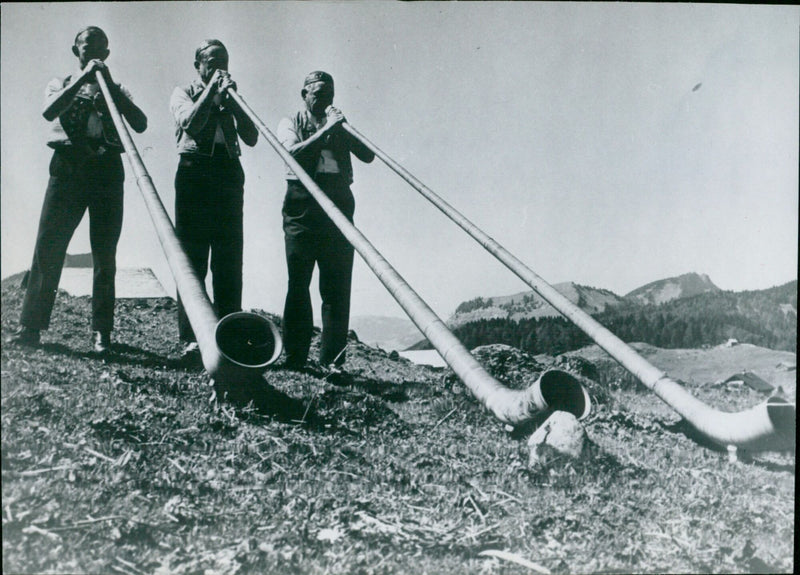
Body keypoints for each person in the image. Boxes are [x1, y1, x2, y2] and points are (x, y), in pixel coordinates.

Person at [8, 26, 148, 353]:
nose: (94, 52)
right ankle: (30, 327)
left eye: (101, 48)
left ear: (108, 55)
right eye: (88, 47)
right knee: (49, 246)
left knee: (104, 253)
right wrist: (83, 80)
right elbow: (48, 111)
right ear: (77, 51)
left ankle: (102, 334)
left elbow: (140, 123)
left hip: (107, 170)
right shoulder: (61, 83)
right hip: (68, 167)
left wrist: (108, 88)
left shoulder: (118, 88)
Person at [277, 71, 375, 373]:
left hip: (338, 200)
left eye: (329, 94)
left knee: (336, 285)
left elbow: (368, 155)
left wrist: (342, 128)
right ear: (304, 94)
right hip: (303, 202)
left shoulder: (339, 124)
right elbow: (292, 153)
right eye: (318, 93)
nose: (325, 100)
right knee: (299, 280)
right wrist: (324, 133)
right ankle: (295, 356)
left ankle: (333, 362)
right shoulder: (289, 122)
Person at [169, 40, 258, 357]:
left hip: (228, 175)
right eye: (212, 62)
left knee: (229, 260)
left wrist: (233, 102)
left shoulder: (231, 95)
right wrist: (211, 93)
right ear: (198, 65)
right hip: (195, 173)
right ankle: (191, 338)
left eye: (224, 61)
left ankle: (229, 336)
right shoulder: (183, 93)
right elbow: (190, 123)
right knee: (193, 258)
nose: (219, 67)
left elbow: (252, 136)